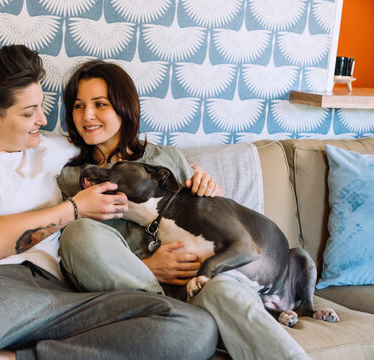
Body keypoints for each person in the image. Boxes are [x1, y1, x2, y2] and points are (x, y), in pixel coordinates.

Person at [0, 45, 219, 360]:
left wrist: (191, 177)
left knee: (192, 327)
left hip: (62, 292)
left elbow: (121, 155)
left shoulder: (55, 148)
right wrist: (75, 209)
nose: (43, 120)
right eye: (30, 112)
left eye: (43, 108)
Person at [57, 60, 311, 360]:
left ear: (124, 107)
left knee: (223, 290)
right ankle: (175, 315)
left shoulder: (165, 159)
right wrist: (148, 267)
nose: (86, 115)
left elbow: (209, 216)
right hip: (132, 289)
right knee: (78, 233)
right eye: (77, 106)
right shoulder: (72, 176)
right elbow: (83, 255)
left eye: (100, 104)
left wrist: (209, 189)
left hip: (198, 282)